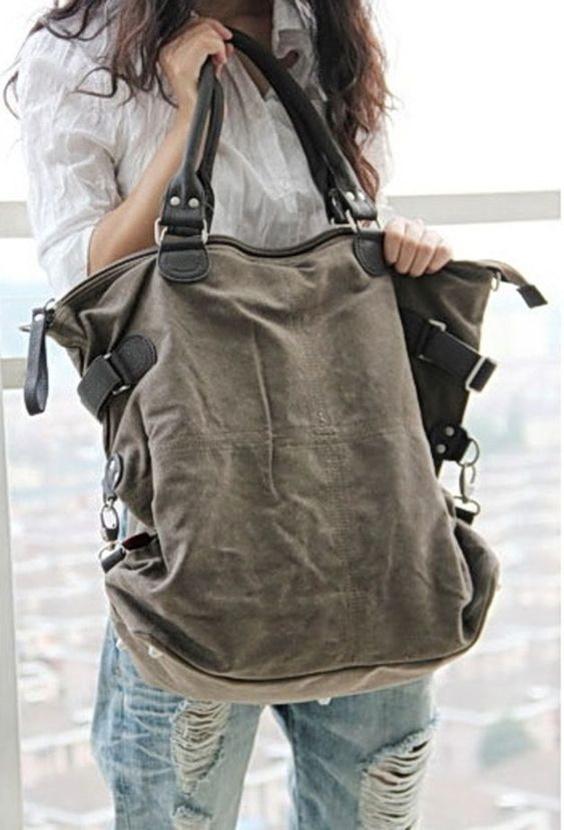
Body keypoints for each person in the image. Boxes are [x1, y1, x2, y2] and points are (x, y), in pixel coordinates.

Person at [7, 1, 453, 827]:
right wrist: (186, 117)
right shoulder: (77, 52)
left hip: (365, 505)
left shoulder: (324, 32)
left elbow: (332, 236)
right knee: (178, 811)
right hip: (195, 508)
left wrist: (397, 240)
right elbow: (88, 279)